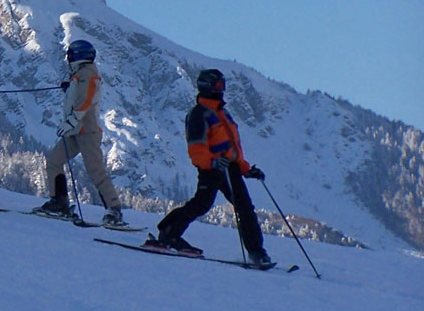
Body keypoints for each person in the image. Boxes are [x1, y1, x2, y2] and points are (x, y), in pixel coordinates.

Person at [147, 69, 272, 266]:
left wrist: (246, 169)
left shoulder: (223, 114)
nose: (221, 90)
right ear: (207, 87)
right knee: (203, 203)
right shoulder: (199, 114)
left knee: (244, 207)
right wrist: (211, 162)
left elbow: (233, 149)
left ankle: (257, 252)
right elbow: (196, 148)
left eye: (223, 85)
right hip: (212, 168)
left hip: (230, 169)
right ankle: (168, 232)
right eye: (218, 86)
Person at [36, 39, 126, 226]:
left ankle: (114, 209)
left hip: (87, 131)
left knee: (95, 170)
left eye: (70, 54)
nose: (68, 58)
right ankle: (58, 201)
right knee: (54, 161)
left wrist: (71, 121)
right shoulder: (79, 75)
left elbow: (86, 100)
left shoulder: (88, 73)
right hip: (75, 131)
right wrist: (69, 90)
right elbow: (79, 96)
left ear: (77, 55)